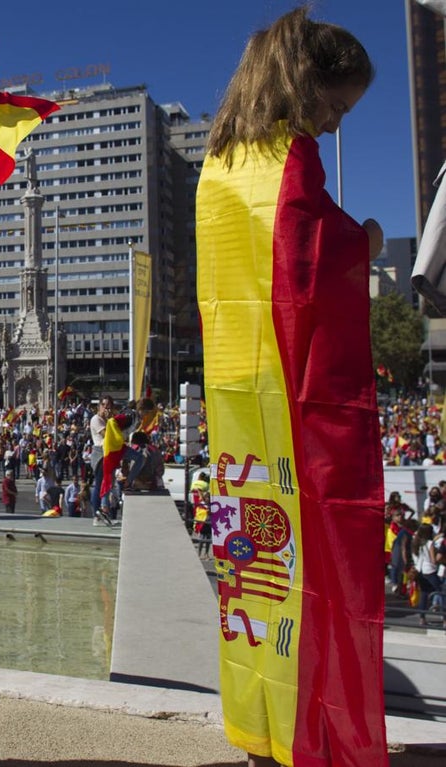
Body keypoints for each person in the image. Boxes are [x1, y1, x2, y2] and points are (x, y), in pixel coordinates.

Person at [196, 9, 383, 766]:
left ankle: (261, 728)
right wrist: (365, 242)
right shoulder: (289, 156)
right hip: (294, 394)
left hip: (238, 400)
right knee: (311, 565)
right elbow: (309, 263)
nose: (336, 119)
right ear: (307, 82)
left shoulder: (218, 161)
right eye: (337, 104)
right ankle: (316, 735)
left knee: (253, 573)